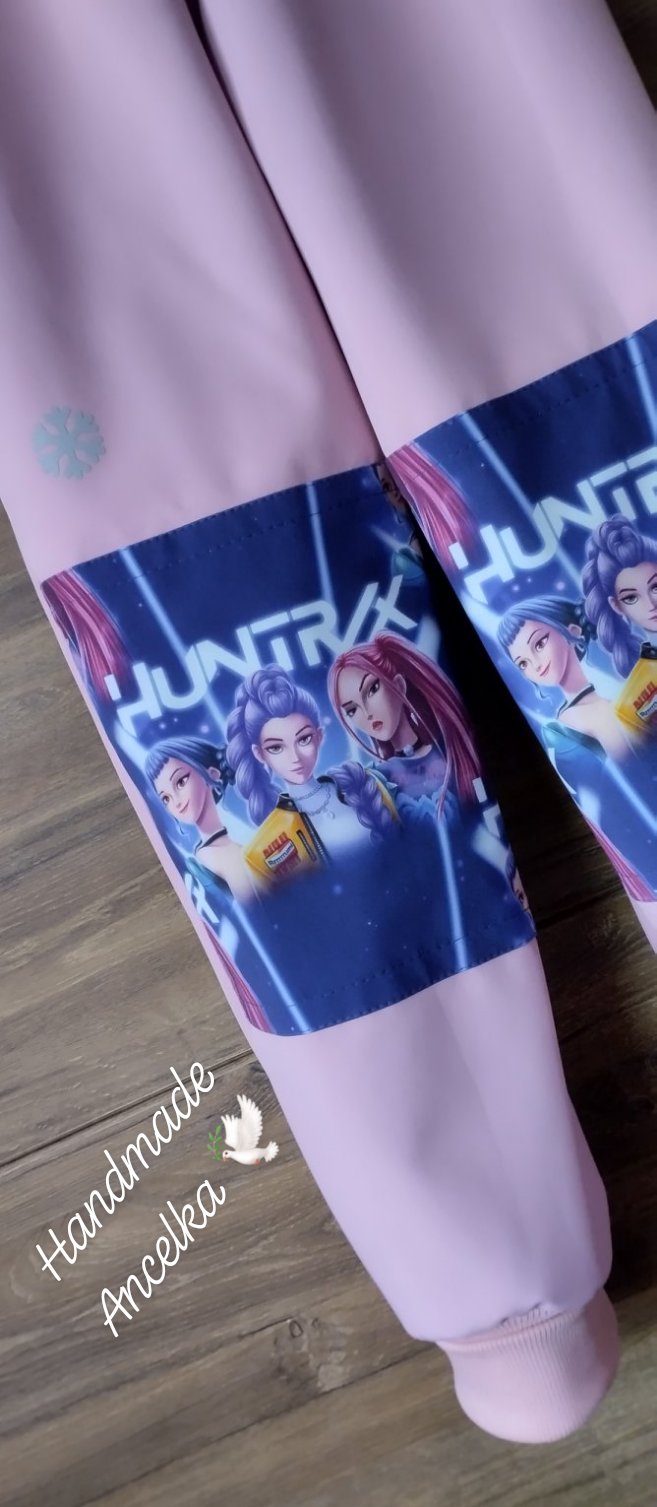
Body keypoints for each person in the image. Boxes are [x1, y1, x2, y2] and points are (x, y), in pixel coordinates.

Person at [498, 595, 631, 762]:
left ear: (572, 631)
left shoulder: (607, 690)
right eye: (523, 663)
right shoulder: (568, 720)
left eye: (539, 644)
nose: (536, 665)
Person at [145, 737, 254, 904]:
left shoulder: (231, 843)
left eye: (181, 782)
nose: (176, 801)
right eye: (166, 798)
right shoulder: (212, 854)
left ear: (212, 774)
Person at [583, 515, 657, 676]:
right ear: (616, 606)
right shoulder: (643, 677)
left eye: (655, 588)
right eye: (631, 598)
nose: (651, 605)